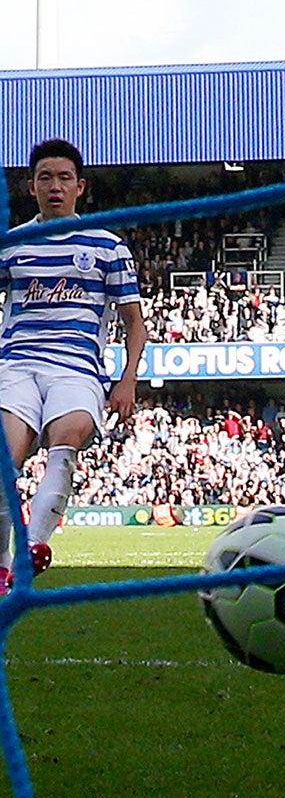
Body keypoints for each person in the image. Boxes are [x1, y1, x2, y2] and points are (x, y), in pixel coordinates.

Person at [0, 138, 146, 588]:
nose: (55, 186)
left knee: (70, 434)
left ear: (80, 187)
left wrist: (127, 380)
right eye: (46, 177)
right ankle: (2, 568)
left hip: (76, 368)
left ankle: (32, 549)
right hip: (17, 366)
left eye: (64, 178)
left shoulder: (107, 246)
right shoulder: (13, 243)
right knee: (6, 455)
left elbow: (134, 323)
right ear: (32, 187)